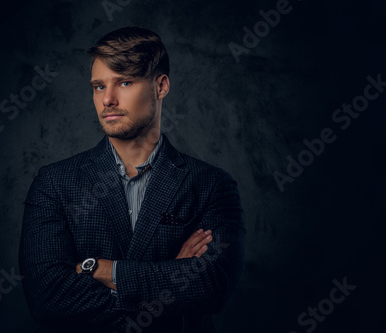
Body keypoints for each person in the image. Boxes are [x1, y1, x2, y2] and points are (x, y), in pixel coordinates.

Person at [19, 26, 245, 333]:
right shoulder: (55, 183)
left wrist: (99, 270)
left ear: (161, 85)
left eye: (124, 82)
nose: (108, 99)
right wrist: (170, 283)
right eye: (99, 86)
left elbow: (211, 288)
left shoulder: (211, 185)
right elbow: (48, 299)